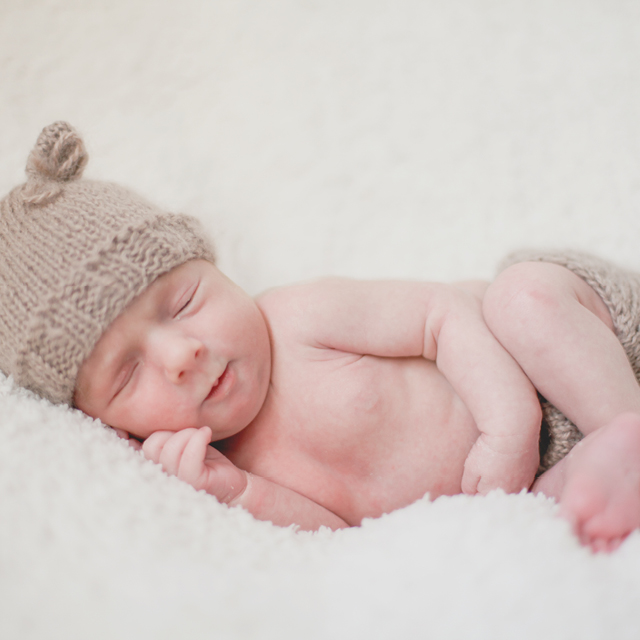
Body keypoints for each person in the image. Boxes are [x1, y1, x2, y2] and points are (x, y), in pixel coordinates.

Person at [2, 123, 640, 553]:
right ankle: (611, 455)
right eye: (127, 374)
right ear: (105, 424)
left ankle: (626, 429)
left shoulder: (295, 317)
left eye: (185, 302)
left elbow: (441, 317)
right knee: (563, 527)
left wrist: (508, 428)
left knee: (521, 299)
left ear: (215, 269)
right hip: (547, 472)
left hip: (567, 354)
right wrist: (237, 492)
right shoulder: (223, 465)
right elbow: (338, 535)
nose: (181, 355)